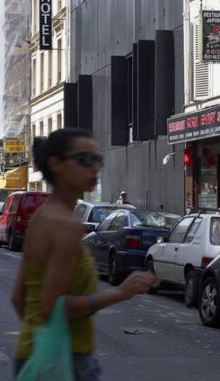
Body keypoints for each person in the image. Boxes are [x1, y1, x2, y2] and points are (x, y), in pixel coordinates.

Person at [12, 129, 156, 380]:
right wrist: (121, 292)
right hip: (68, 361)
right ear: (57, 164)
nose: (94, 168)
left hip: (31, 355)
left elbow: (18, 297)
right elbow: (52, 307)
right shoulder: (67, 225)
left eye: (97, 160)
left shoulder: (40, 217)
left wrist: (40, 341)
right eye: (84, 160)